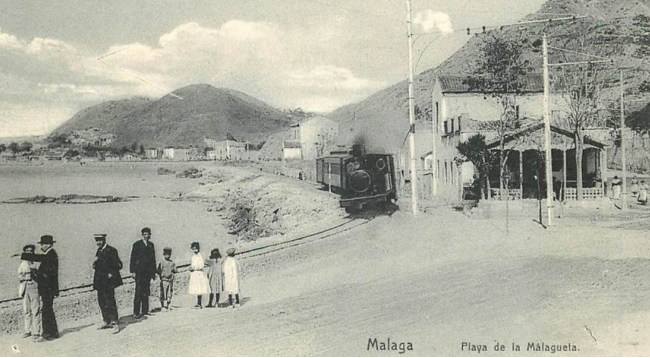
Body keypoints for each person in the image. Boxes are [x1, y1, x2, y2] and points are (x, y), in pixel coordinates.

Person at [21, 235, 59, 340]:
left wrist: (35, 271)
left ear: (48, 245)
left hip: (48, 288)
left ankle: (49, 333)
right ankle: (51, 332)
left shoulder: (50, 254)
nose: (41, 246)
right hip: (48, 288)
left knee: (47, 310)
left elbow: (48, 273)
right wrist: (23, 255)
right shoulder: (50, 254)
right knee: (47, 310)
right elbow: (39, 257)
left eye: (43, 244)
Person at [92, 234, 123, 334]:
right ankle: (106, 321)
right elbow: (100, 263)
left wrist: (112, 273)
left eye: (100, 240)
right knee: (101, 301)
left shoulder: (111, 250)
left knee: (110, 301)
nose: (98, 242)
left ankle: (115, 323)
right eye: (97, 241)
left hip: (108, 282)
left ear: (104, 240)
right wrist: (95, 265)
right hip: (100, 281)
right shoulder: (99, 250)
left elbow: (118, 264)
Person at [130, 227, 156, 318]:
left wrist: (153, 273)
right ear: (142, 235)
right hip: (139, 273)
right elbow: (132, 258)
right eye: (145, 234)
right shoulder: (137, 245)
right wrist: (133, 271)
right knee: (138, 291)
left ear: (150, 235)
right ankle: (136, 312)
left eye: (148, 234)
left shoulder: (151, 245)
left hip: (147, 273)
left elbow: (153, 260)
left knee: (146, 291)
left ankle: (145, 310)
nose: (146, 236)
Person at [18, 244, 42, 342]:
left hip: (35, 286)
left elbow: (40, 274)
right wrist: (25, 277)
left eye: (31, 250)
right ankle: (27, 330)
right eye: (27, 251)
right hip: (25, 286)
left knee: (35, 309)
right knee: (26, 310)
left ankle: (36, 331)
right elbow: (19, 276)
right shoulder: (23, 263)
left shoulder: (36, 262)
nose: (29, 252)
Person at [188, 242, 210, 309]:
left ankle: (199, 303)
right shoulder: (193, 257)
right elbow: (192, 264)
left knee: (200, 288)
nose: (195, 250)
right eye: (193, 249)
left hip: (199, 273)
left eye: (196, 249)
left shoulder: (200, 256)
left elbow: (201, 266)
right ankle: (197, 303)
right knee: (196, 289)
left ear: (198, 248)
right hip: (195, 274)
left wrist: (194, 268)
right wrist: (191, 268)